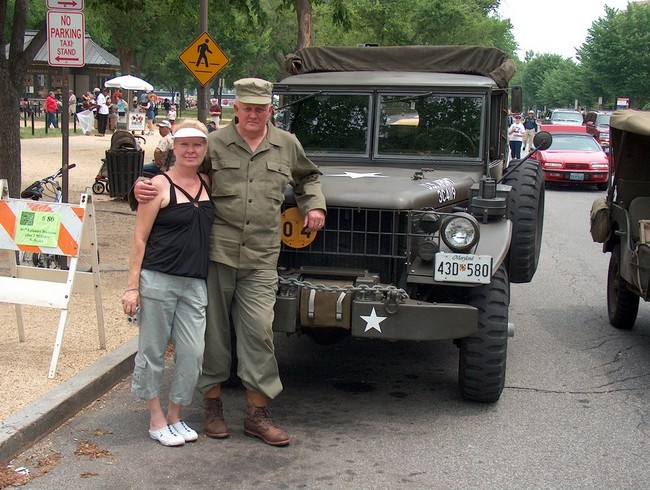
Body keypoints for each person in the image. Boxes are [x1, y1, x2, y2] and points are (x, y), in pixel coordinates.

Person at [133, 77, 326, 447]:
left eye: (260, 108)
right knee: (213, 337)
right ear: (235, 108)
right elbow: (177, 171)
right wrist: (140, 186)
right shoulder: (215, 144)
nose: (253, 115)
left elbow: (309, 176)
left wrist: (313, 204)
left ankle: (257, 415)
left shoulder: (286, 145)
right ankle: (213, 407)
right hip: (216, 254)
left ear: (271, 110)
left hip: (261, 256)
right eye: (247, 108)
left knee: (259, 334)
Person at [122, 119, 213, 447]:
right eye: (184, 144)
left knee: (192, 352)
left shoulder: (207, 183)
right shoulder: (157, 186)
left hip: (194, 282)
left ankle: (176, 414)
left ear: (205, 149)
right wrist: (132, 286)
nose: (191, 150)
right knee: (153, 351)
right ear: (173, 147)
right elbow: (140, 238)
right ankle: (156, 417)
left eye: (198, 145)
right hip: (158, 279)